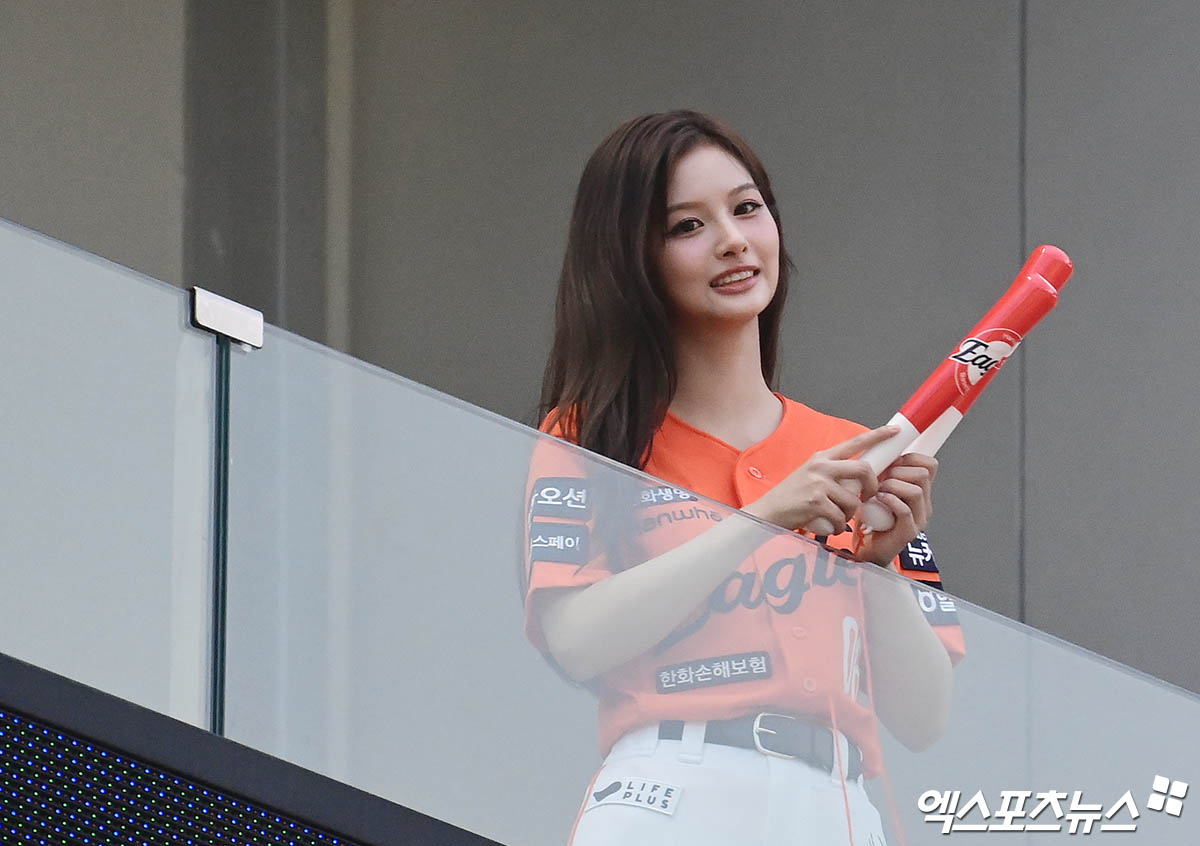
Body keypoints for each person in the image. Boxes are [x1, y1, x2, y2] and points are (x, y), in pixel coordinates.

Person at [523, 110, 962, 846]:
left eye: (747, 207)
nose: (732, 239)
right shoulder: (586, 437)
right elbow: (576, 641)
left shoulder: (855, 450)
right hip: (670, 792)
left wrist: (879, 567)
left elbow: (926, 718)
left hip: (840, 803)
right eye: (687, 226)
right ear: (631, 259)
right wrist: (762, 518)